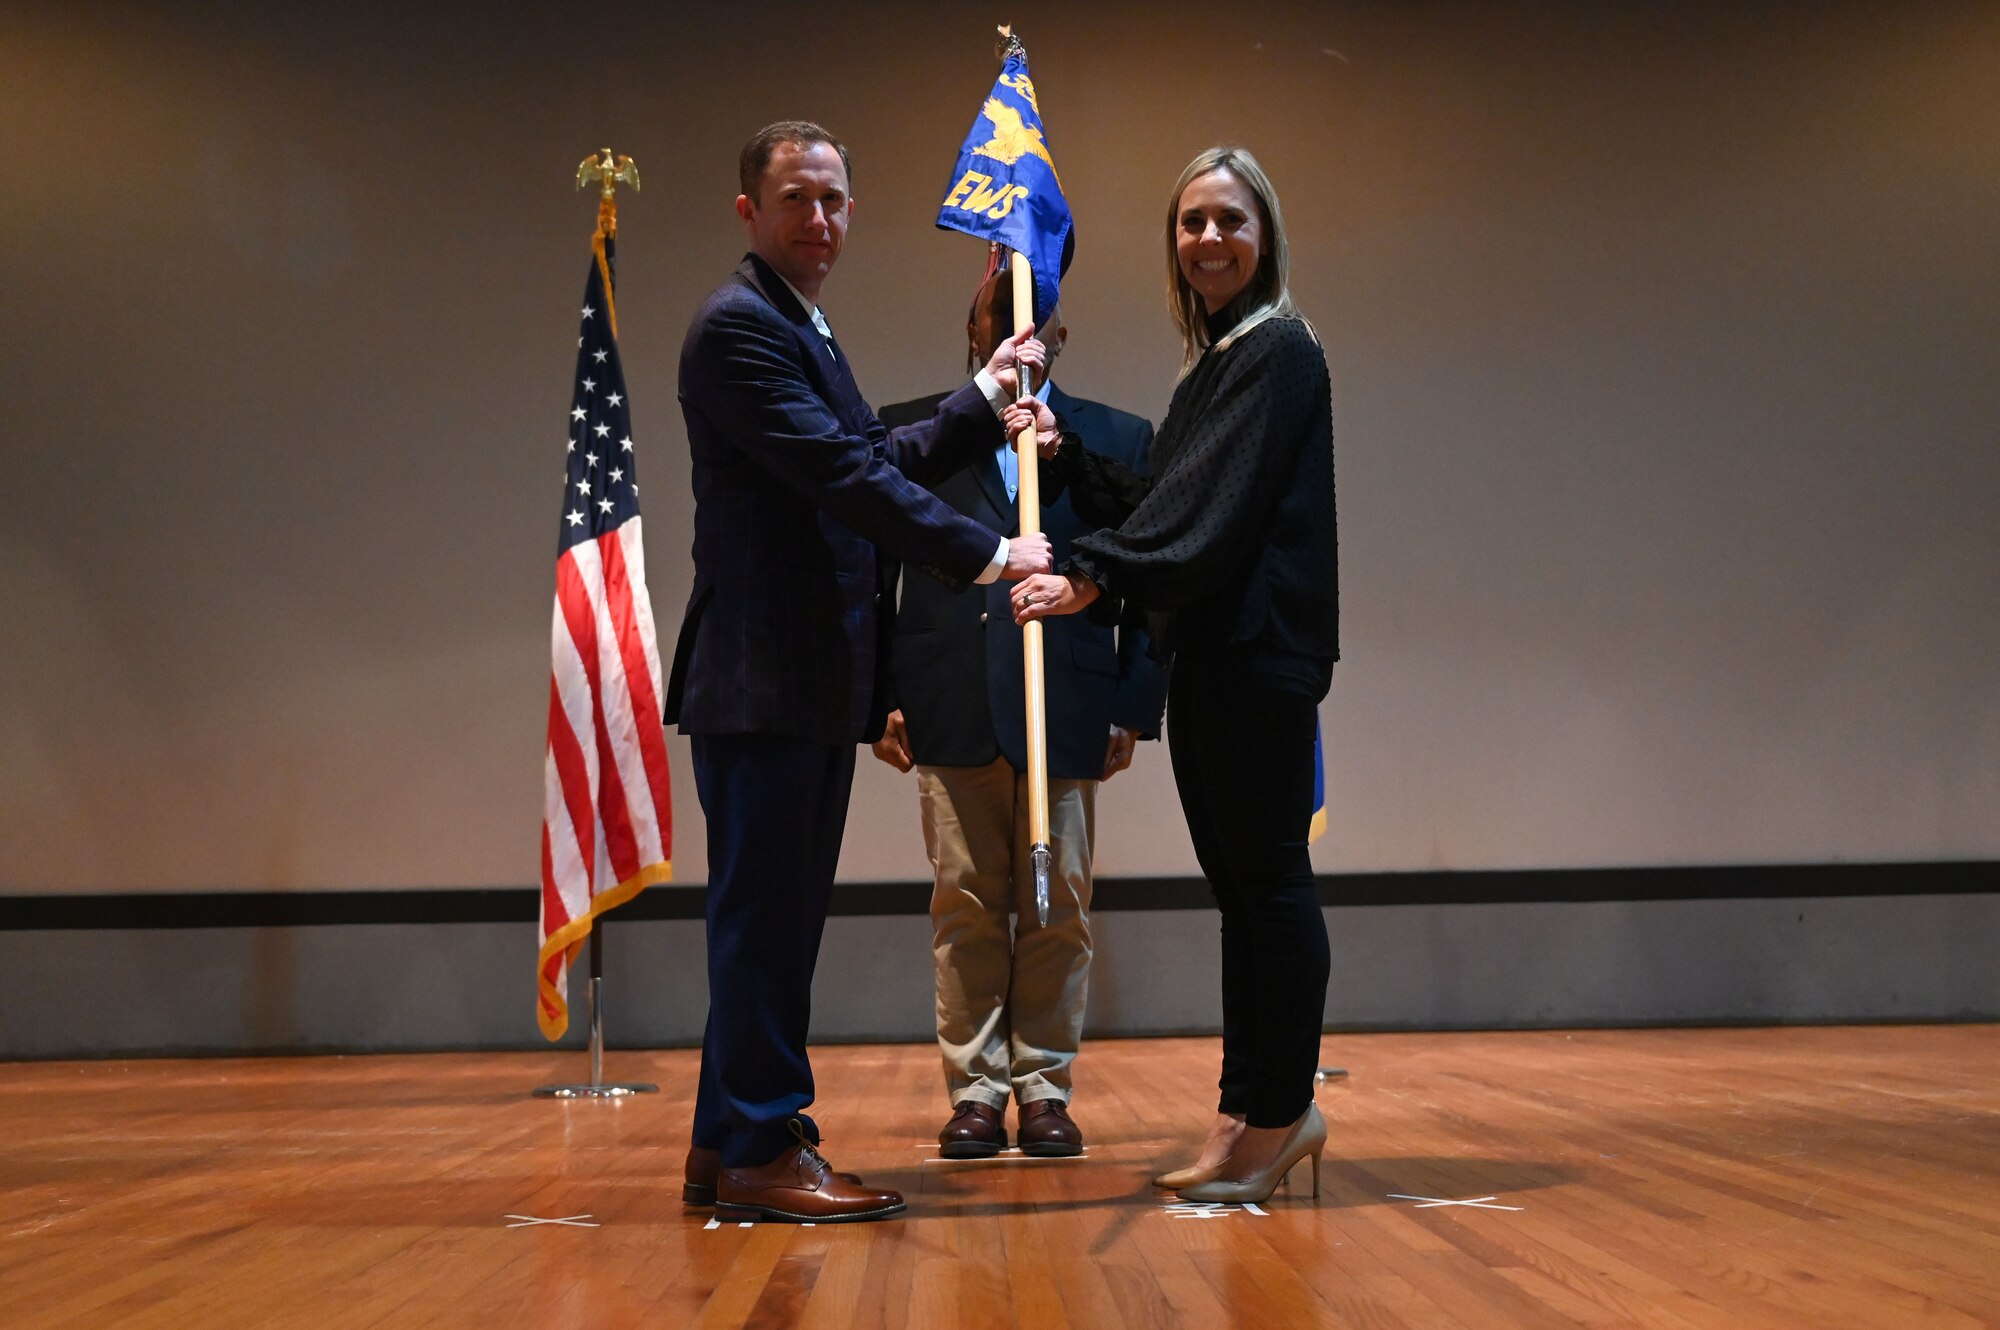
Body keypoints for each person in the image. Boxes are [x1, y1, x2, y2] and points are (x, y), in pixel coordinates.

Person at [664, 121, 1053, 1223]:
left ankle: (723, 1145)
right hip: (764, 680)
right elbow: (845, 479)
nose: (820, 219)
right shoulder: (740, 326)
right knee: (764, 926)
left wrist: (978, 399)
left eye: (834, 198)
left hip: (797, 685)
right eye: (797, 199)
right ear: (750, 210)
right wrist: (988, 552)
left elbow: (865, 461)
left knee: (770, 923)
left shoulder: (801, 326)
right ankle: (761, 1145)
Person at [1010, 146, 1338, 1203]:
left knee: (1267, 885)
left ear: (1264, 236)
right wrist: (1063, 456)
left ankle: (1279, 1110)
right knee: (1241, 896)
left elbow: (1202, 517)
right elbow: (1161, 492)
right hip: (1213, 656)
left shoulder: (1276, 349)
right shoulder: (1215, 361)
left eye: (1229, 221)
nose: (1208, 239)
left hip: (1257, 656)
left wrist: (1088, 577)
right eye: (1190, 223)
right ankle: (1248, 1110)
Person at [871, 270, 1168, 1160]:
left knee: (1057, 908)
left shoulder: (1113, 439)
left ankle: (1043, 1087)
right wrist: (883, 694)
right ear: (971, 330)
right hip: (948, 699)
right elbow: (877, 575)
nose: (1014, 328)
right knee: (963, 906)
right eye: (995, 314)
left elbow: (1153, 580)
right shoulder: (913, 431)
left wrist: (1133, 702)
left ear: (1061, 338)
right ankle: (974, 1090)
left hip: (1067, 701)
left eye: (1033, 318)